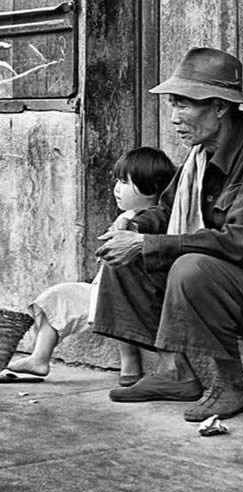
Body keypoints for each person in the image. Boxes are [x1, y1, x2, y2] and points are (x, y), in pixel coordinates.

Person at [92, 46, 243, 424]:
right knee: (122, 258)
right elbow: (167, 210)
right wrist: (134, 225)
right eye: (173, 105)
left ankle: (231, 386)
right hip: (227, 282)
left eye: (184, 106)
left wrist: (147, 244)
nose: (174, 118)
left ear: (220, 107)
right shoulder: (201, 154)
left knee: (191, 268)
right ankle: (176, 371)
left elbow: (238, 242)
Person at [1, 147, 176, 385]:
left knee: (118, 296)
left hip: (134, 294)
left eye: (125, 182)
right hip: (99, 290)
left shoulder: (155, 217)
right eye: (117, 180)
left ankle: (130, 361)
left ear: (153, 188)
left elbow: (149, 226)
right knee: (56, 297)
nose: (117, 187)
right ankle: (39, 359)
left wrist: (127, 226)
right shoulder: (125, 216)